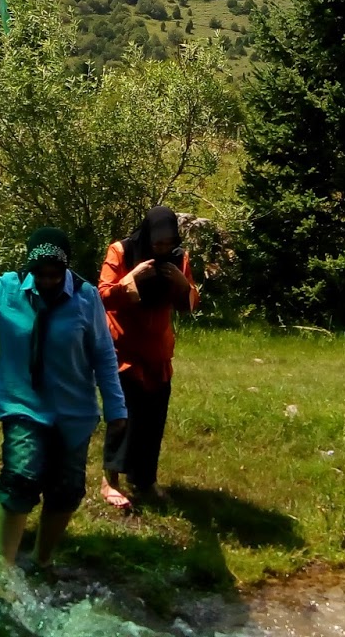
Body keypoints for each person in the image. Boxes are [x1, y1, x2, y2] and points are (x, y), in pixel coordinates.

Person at [0, 229, 126, 570]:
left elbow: (104, 356)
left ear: (65, 268)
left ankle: (42, 560)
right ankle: (2, 569)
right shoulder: (9, 288)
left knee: (67, 490)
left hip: (74, 412)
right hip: (24, 406)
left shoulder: (86, 297)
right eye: (40, 273)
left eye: (54, 274)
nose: (46, 281)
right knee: (20, 478)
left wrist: (116, 408)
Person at [98, 206, 198, 507]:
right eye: (158, 243)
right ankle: (110, 480)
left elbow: (189, 303)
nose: (163, 249)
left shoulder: (179, 258)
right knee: (124, 416)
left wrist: (182, 283)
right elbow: (102, 295)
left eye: (169, 243)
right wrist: (132, 277)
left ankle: (145, 480)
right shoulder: (121, 251)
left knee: (153, 419)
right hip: (124, 350)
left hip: (158, 352)